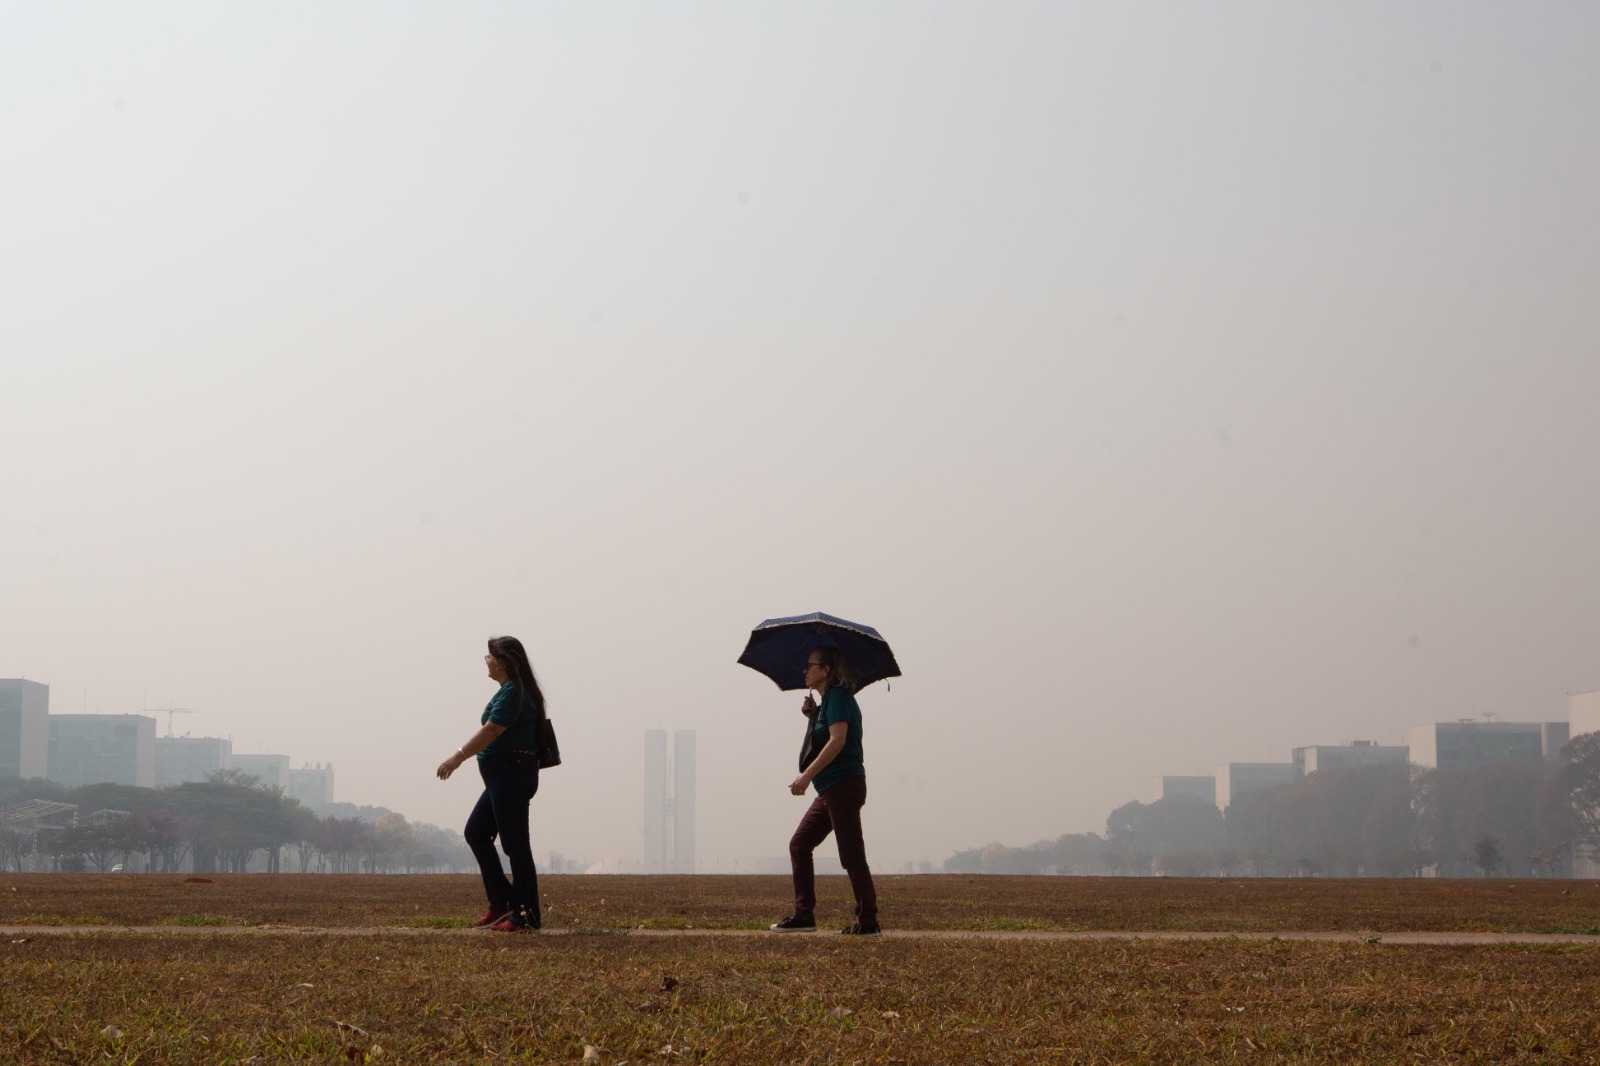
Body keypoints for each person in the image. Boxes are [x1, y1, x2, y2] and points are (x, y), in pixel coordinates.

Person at [436, 635, 547, 932]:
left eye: (489, 657)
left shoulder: (514, 692)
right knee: (476, 832)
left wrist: (456, 758)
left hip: (511, 773)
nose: (486, 661)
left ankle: (525, 915)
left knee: (515, 846)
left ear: (504, 662)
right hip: (502, 776)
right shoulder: (509, 691)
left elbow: (492, 729)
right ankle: (502, 903)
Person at [770, 646, 880, 935]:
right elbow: (822, 737)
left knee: (851, 855)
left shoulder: (840, 697)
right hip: (829, 789)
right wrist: (812, 715)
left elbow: (837, 741)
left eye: (810, 665)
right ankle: (803, 916)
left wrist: (805, 777)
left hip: (843, 785)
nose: (805, 670)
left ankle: (868, 921)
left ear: (826, 669)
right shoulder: (826, 702)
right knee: (800, 844)